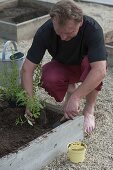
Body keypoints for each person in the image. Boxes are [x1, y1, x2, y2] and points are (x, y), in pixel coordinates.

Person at [21, 0, 107, 134]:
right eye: (59, 32)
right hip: (63, 65)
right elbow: (27, 69)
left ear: (80, 23)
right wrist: (30, 100)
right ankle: (70, 89)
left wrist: (77, 98)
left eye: (69, 32)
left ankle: (89, 109)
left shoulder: (93, 29)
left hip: (85, 68)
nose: (63, 37)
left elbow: (100, 70)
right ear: (53, 22)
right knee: (48, 76)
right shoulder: (45, 31)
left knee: (93, 66)